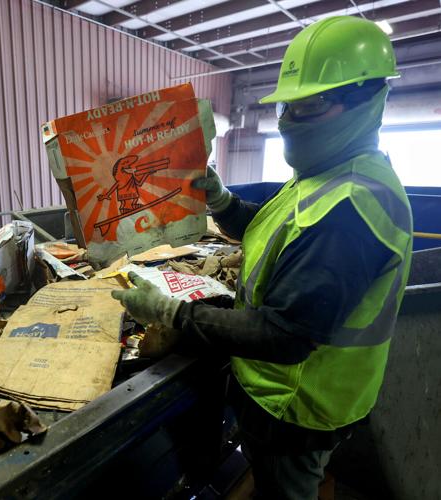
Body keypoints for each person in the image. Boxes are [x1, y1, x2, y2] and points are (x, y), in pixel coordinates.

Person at [111, 16, 412, 499]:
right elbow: (274, 229)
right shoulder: (327, 173)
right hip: (278, 396)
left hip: (297, 407)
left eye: (309, 105)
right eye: (287, 107)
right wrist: (223, 202)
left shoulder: (353, 207)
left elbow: (284, 335)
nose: (290, 120)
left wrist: (172, 312)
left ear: (367, 98)